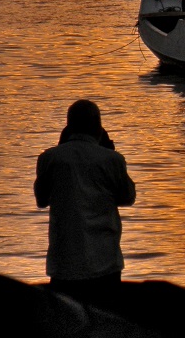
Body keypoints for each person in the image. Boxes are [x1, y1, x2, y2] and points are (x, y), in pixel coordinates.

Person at [34, 99, 136, 309]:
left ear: (68, 126)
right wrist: (110, 150)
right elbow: (128, 197)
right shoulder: (112, 159)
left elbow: (41, 200)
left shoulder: (50, 158)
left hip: (64, 262)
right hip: (104, 262)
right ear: (98, 125)